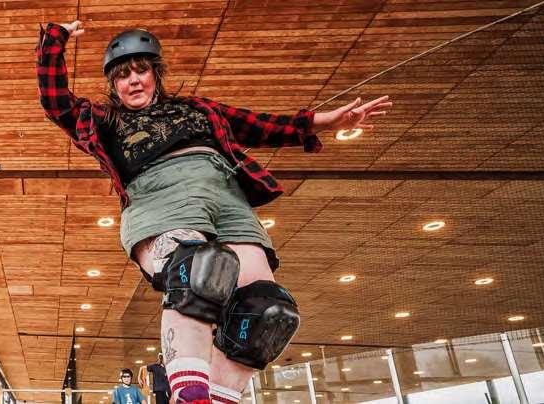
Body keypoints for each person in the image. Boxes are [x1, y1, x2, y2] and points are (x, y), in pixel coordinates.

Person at [37, 20, 391, 404]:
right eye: (123, 75)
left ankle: (220, 397)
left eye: (141, 71)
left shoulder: (199, 109)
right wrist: (55, 41)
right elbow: (57, 103)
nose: (133, 81)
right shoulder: (103, 119)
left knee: (267, 309)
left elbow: (262, 126)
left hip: (227, 198)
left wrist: (327, 121)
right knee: (198, 271)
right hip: (161, 199)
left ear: (156, 74)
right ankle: (190, 394)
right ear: (113, 84)